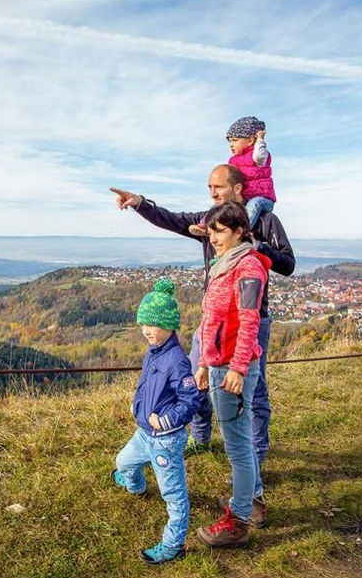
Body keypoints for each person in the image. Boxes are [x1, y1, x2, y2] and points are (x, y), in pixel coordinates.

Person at [110, 165, 295, 504]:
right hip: (213, 323)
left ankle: (254, 460)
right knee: (193, 378)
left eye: (218, 186)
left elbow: (287, 263)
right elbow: (173, 219)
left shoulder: (264, 222)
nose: (212, 192)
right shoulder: (212, 220)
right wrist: (139, 203)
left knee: (254, 394)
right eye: (209, 187)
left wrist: (255, 246)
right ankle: (201, 435)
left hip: (249, 323)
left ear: (238, 189)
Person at [193, 201, 270, 547]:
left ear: (240, 231)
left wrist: (237, 368)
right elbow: (212, 321)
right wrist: (205, 362)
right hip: (219, 364)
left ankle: (238, 520)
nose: (213, 238)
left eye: (220, 231)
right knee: (238, 443)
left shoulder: (248, 267)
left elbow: (249, 321)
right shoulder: (223, 264)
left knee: (238, 446)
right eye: (210, 231)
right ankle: (244, 503)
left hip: (233, 369)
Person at [112, 279, 200, 564]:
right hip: (144, 433)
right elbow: (147, 385)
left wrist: (164, 421)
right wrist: (138, 407)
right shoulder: (154, 350)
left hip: (165, 439)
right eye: (142, 324)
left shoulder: (177, 360)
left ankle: (173, 544)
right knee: (123, 463)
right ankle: (135, 486)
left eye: (151, 324)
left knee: (173, 495)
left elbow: (191, 401)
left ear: (169, 325)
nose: (145, 330)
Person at [190, 116, 276, 235]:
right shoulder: (233, 160)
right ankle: (205, 225)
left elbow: (259, 155)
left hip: (263, 198)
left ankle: (242, 232)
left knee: (253, 206)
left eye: (235, 140)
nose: (231, 144)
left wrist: (260, 139)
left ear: (250, 141)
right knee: (218, 205)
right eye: (230, 141)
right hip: (245, 197)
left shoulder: (259, 157)